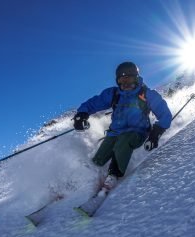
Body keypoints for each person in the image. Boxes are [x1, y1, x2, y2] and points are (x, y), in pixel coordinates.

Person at [73, 61, 172, 191]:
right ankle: (83, 182)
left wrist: (156, 133)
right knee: (99, 159)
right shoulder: (114, 94)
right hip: (114, 133)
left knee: (123, 142)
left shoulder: (147, 94)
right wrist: (82, 113)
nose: (125, 84)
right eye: (121, 80)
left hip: (137, 133)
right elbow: (95, 102)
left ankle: (113, 175)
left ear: (136, 78)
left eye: (129, 79)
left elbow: (164, 114)